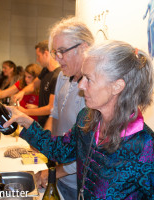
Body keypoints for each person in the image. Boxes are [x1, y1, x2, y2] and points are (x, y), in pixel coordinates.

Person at [4, 40, 154, 199]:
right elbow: (60, 151)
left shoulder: (146, 148)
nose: (81, 85)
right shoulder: (87, 119)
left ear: (117, 86)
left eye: (89, 79)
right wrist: (25, 121)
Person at [36, 17, 94, 199]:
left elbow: (90, 150)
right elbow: (55, 114)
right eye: (55, 52)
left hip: (81, 183)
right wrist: (45, 144)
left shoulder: (94, 90)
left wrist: (55, 173)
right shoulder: (62, 76)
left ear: (83, 48)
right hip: (58, 172)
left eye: (62, 52)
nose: (57, 59)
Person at [12, 40, 61, 127]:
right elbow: (34, 85)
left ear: (46, 53)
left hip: (51, 127)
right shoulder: (46, 70)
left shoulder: (57, 76)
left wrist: (25, 111)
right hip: (42, 123)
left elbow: (50, 108)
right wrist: (22, 92)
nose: (37, 60)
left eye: (38, 56)